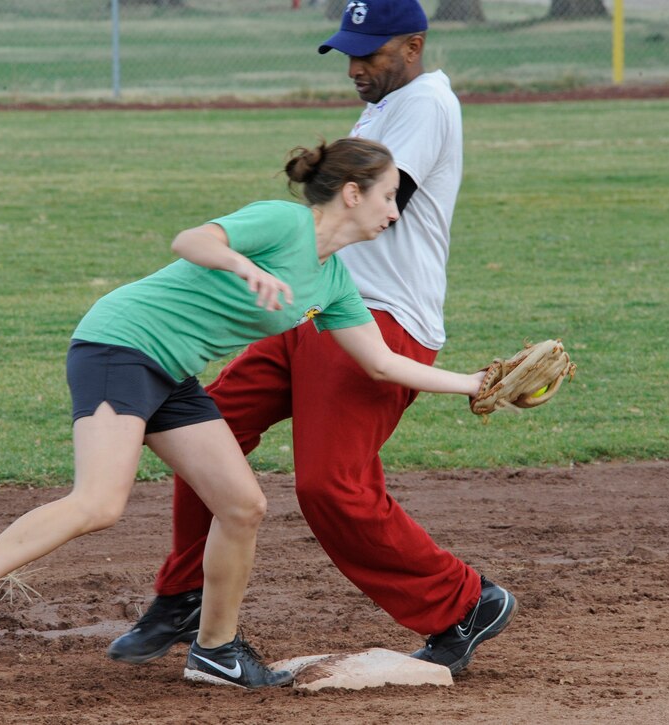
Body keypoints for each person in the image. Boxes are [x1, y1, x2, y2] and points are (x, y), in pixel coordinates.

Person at [0, 137, 491, 691]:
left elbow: (382, 364)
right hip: (121, 346)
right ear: (352, 192)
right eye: (389, 195)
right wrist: (244, 265)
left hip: (170, 372)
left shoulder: (334, 282)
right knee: (99, 502)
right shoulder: (284, 223)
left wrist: (473, 383)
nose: (396, 211)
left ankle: (217, 651)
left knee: (242, 506)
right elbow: (190, 240)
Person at [107, 0, 516, 678]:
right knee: (209, 426)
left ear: (413, 45)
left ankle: (463, 603)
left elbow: (379, 203)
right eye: (349, 52)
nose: (356, 67)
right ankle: (182, 594)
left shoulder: (425, 102)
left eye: (371, 53)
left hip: (377, 317)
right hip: (317, 306)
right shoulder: (388, 102)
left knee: (332, 486)